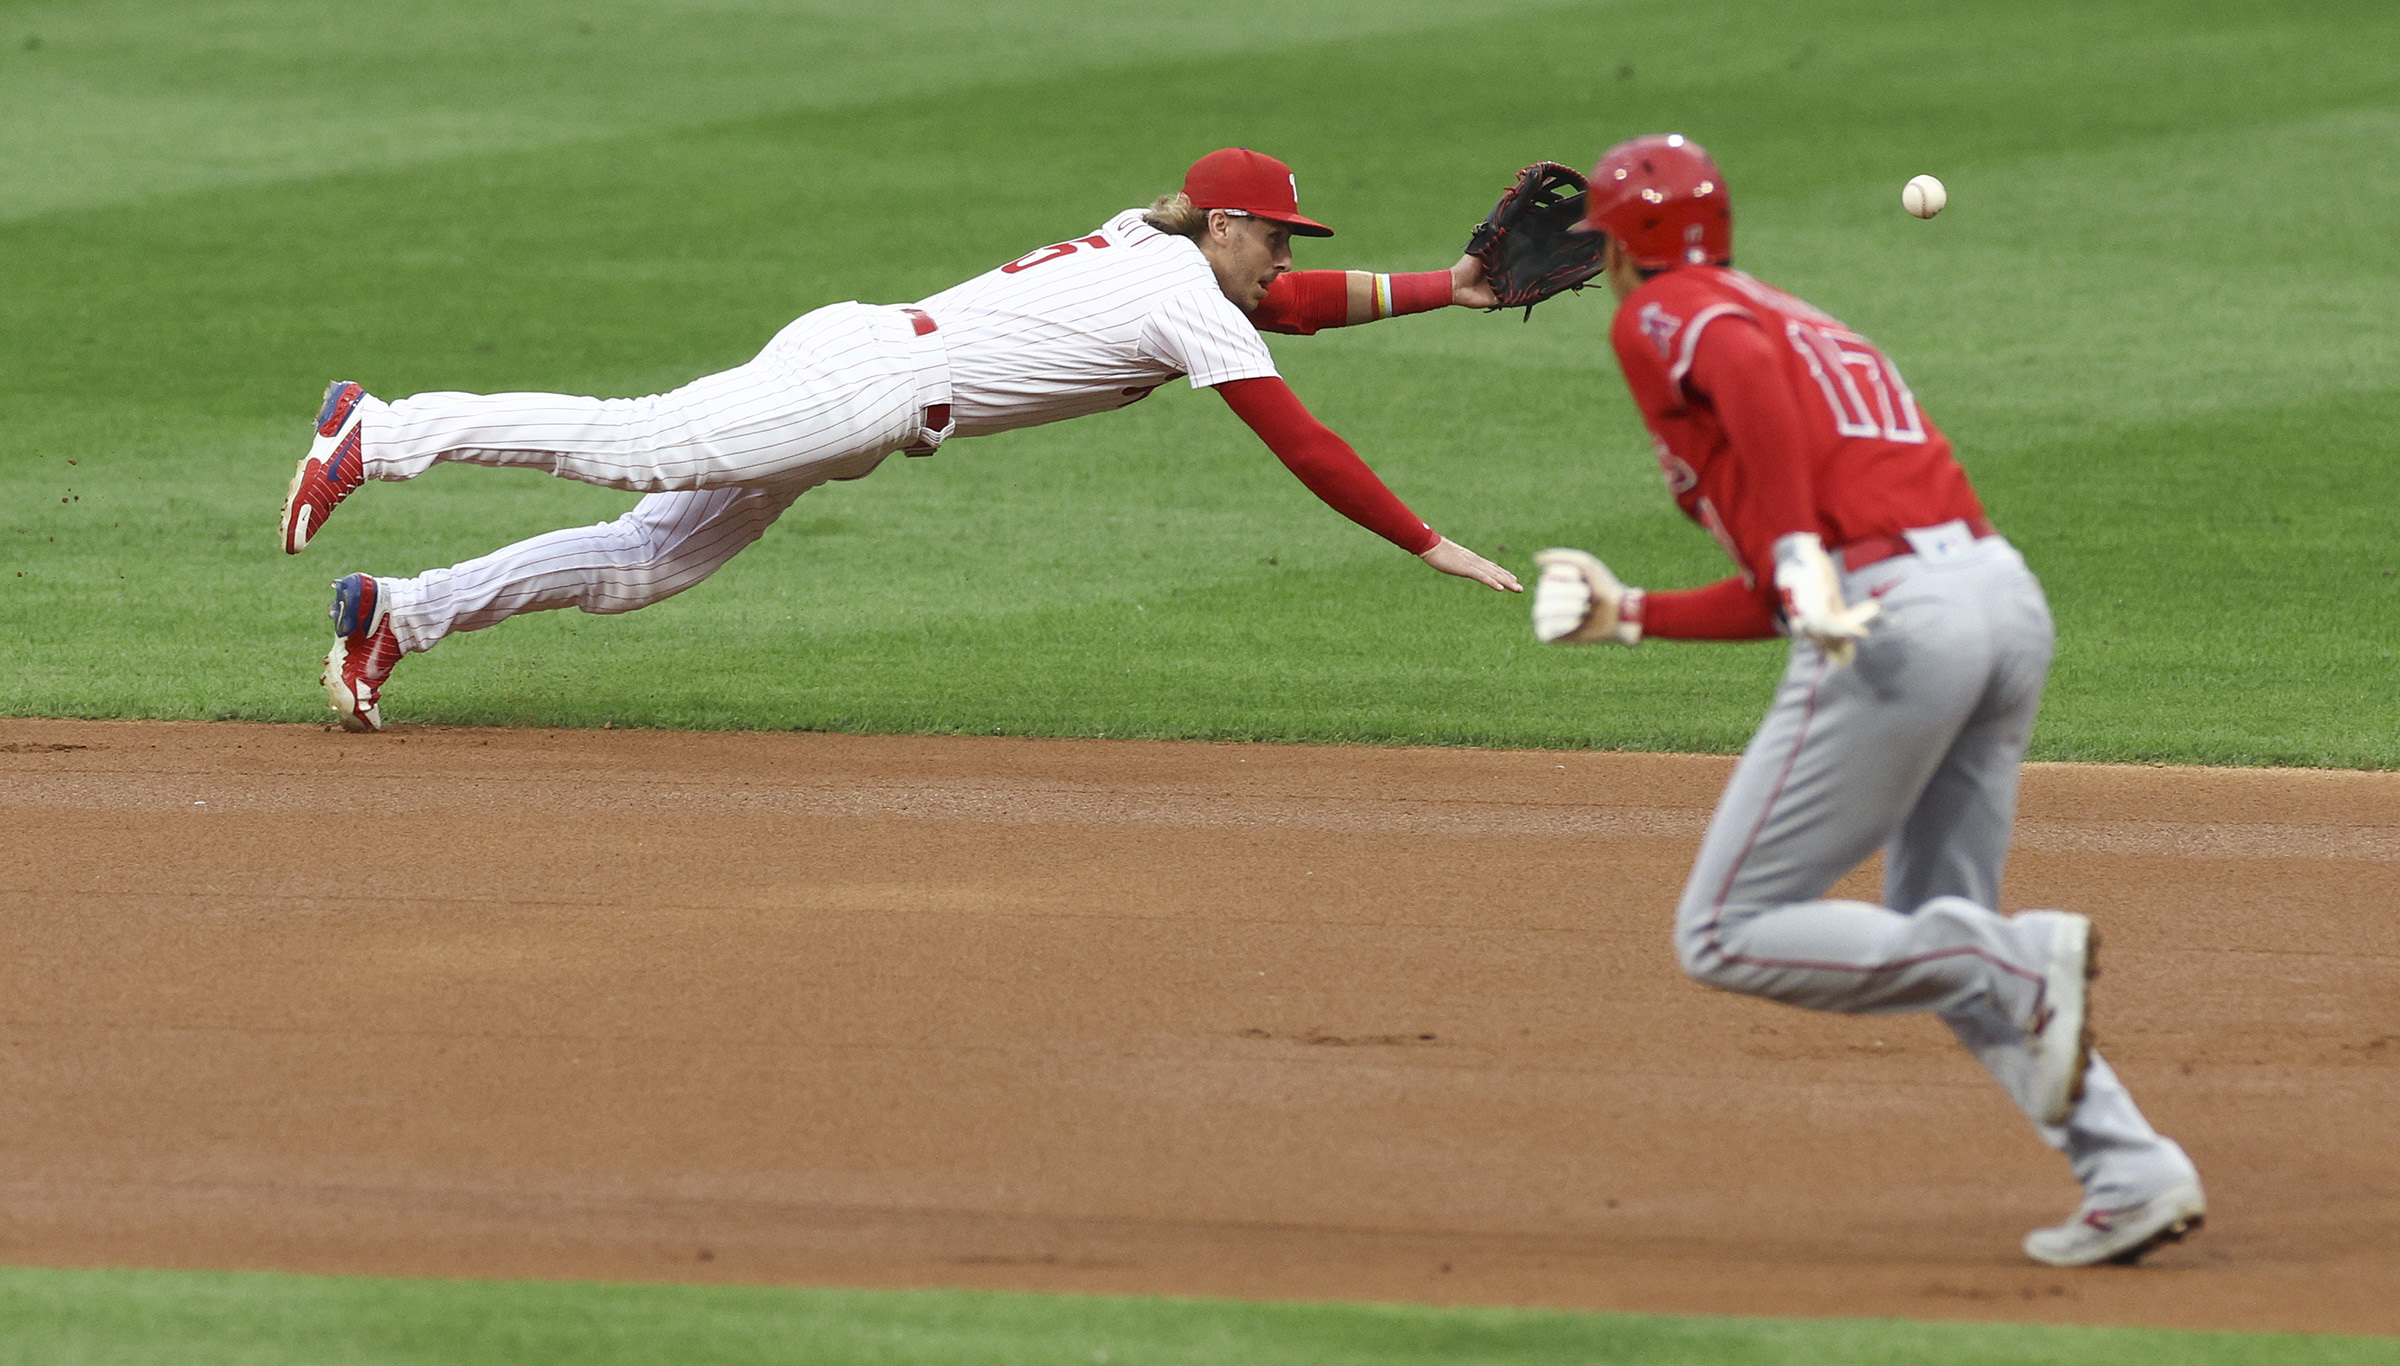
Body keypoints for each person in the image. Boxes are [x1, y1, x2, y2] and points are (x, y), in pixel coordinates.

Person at [1528, 134, 2204, 1267]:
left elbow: (1759, 432)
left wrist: (1795, 541)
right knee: (1941, 926)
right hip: (1995, 597)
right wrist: (1629, 613)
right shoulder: (1802, 316)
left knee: (1727, 929)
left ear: (1626, 246)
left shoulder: (1672, 311)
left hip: (1903, 625)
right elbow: (1793, 595)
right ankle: (2131, 1168)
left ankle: (2021, 964)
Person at [283, 147, 1521, 731]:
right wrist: (1425, 541)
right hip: (870, 383)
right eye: (1278, 234)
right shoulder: (1181, 295)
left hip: (869, 380)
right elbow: (1300, 441)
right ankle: (381, 430)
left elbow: (1289, 310)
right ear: (1226, 226)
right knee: (644, 444)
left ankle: (396, 613)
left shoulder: (1160, 247)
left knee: (649, 560)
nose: (1288, 255)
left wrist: (1446, 287)